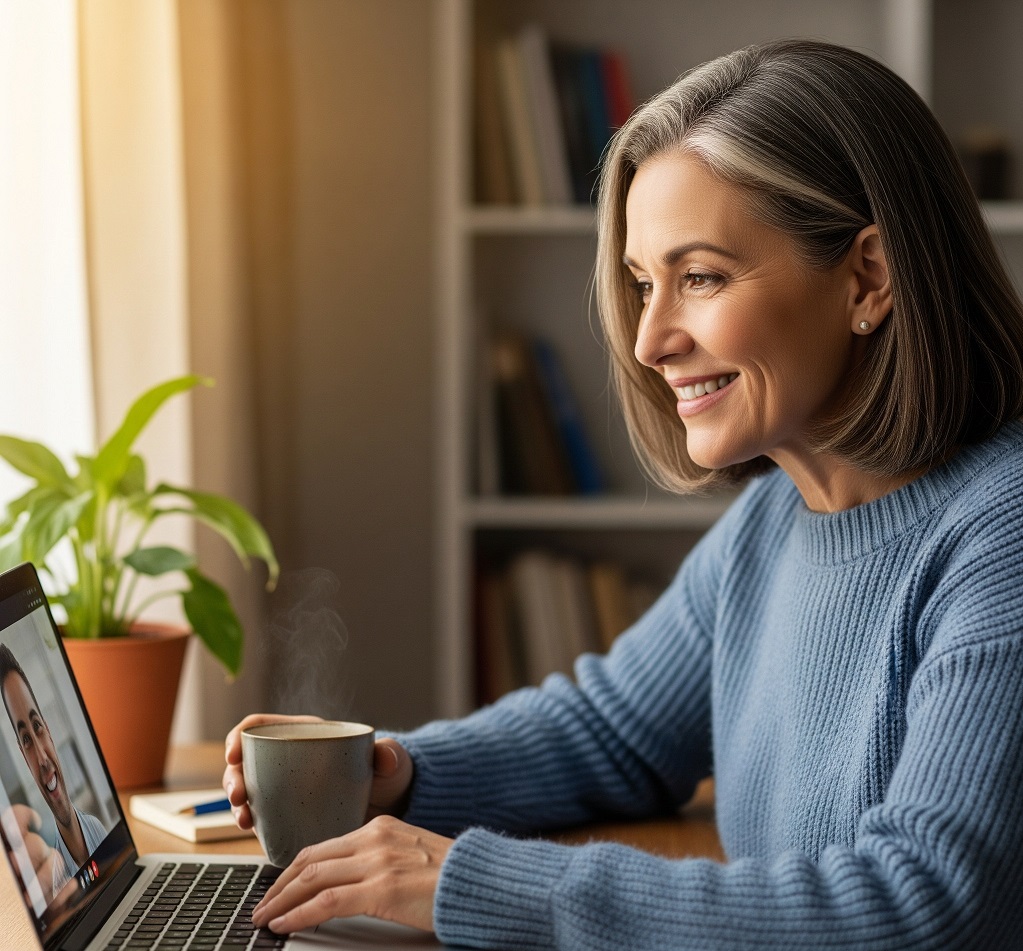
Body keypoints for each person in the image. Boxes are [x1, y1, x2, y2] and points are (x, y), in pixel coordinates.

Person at [222, 39, 1023, 949]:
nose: (649, 341)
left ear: (868, 277)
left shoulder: (1002, 536)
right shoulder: (772, 519)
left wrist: (474, 880)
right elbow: (610, 730)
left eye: (701, 277)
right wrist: (397, 773)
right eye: (645, 284)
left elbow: (924, 905)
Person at [0, 643, 106, 901]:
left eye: (37, 727)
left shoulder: (97, 829)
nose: (43, 758)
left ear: (48, 730)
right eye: (26, 740)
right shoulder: (53, 886)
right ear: (24, 758)